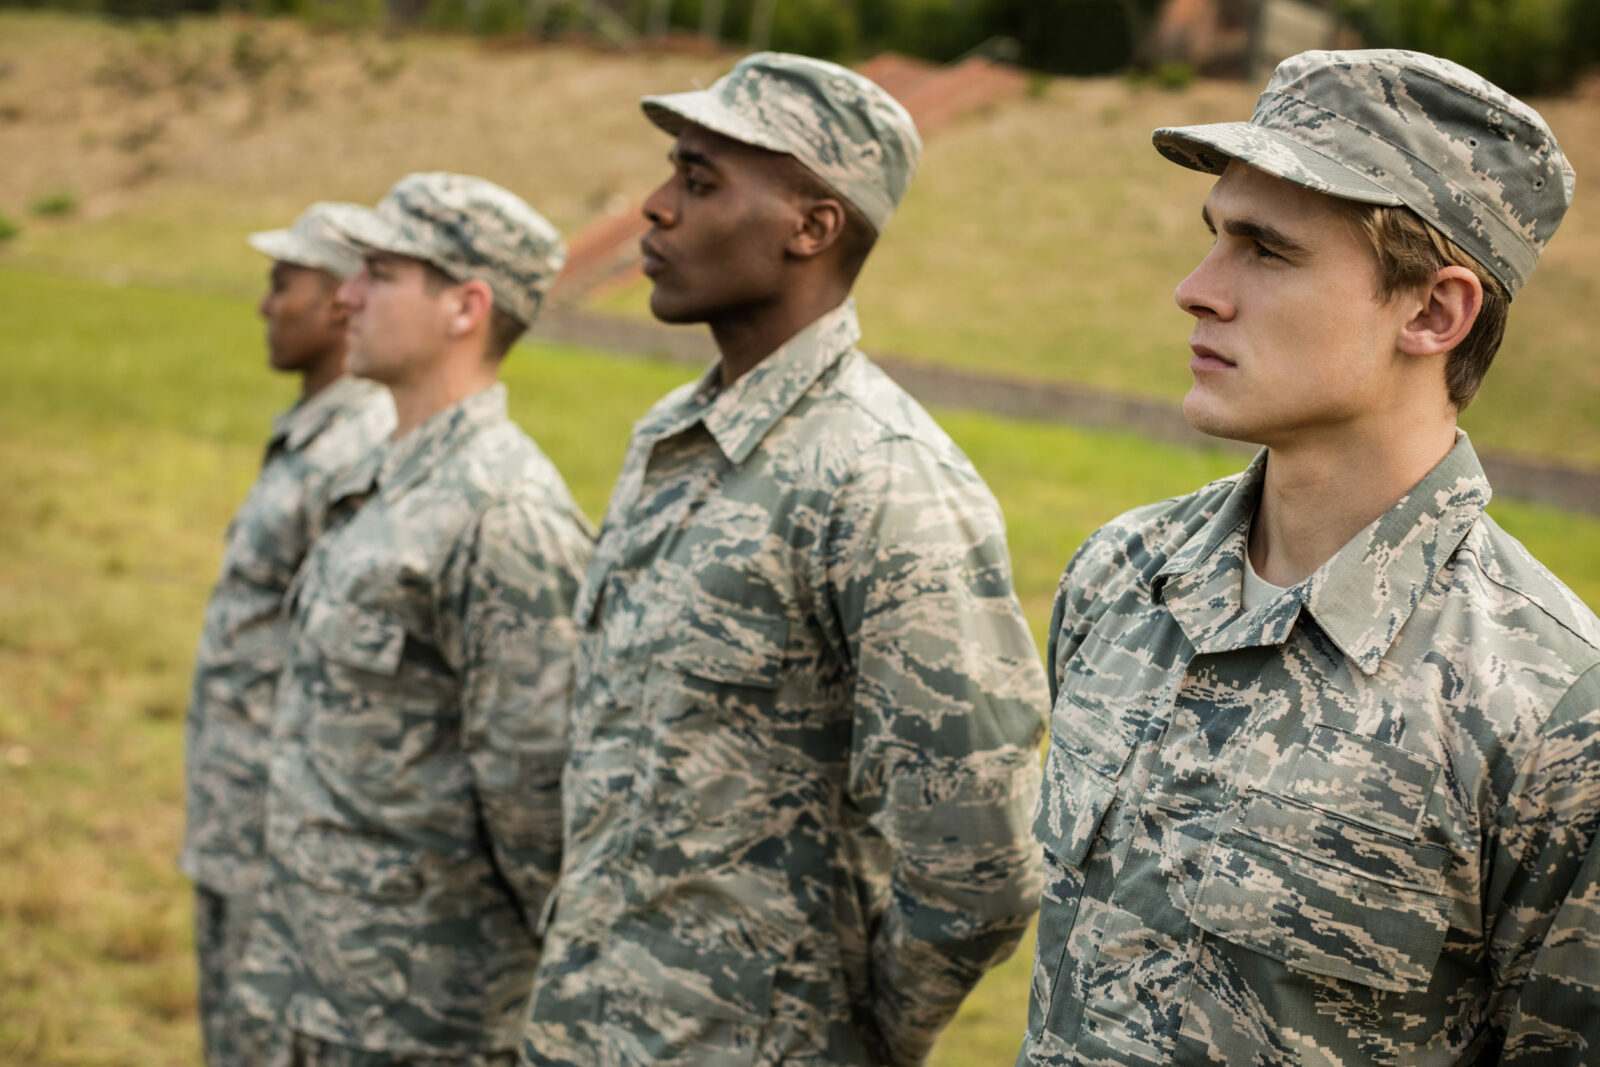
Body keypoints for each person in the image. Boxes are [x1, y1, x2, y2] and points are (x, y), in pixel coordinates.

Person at [1019, 49, 1598, 1066]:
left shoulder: (1554, 713)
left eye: (1266, 251)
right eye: (1213, 239)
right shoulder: (1121, 577)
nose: (1195, 291)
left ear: (1432, 311)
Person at [522, 53, 1048, 1067]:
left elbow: (978, 860)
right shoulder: (673, 435)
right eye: (672, 172)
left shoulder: (882, 480)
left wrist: (853, 1032)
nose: (655, 206)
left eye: (699, 180)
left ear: (812, 227)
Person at [228, 173, 594, 1065]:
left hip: (424, 1013)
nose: (345, 295)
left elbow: (539, 808)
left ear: (465, 307)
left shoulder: (501, 511)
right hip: (322, 982)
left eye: (380, 274)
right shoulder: (385, 477)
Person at [180, 202, 395, 1065]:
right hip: (236, 814)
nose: (266, 304)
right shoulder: (316, 429)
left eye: (284, 283)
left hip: (283, 840)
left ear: (346, 298)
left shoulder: (360, 448)